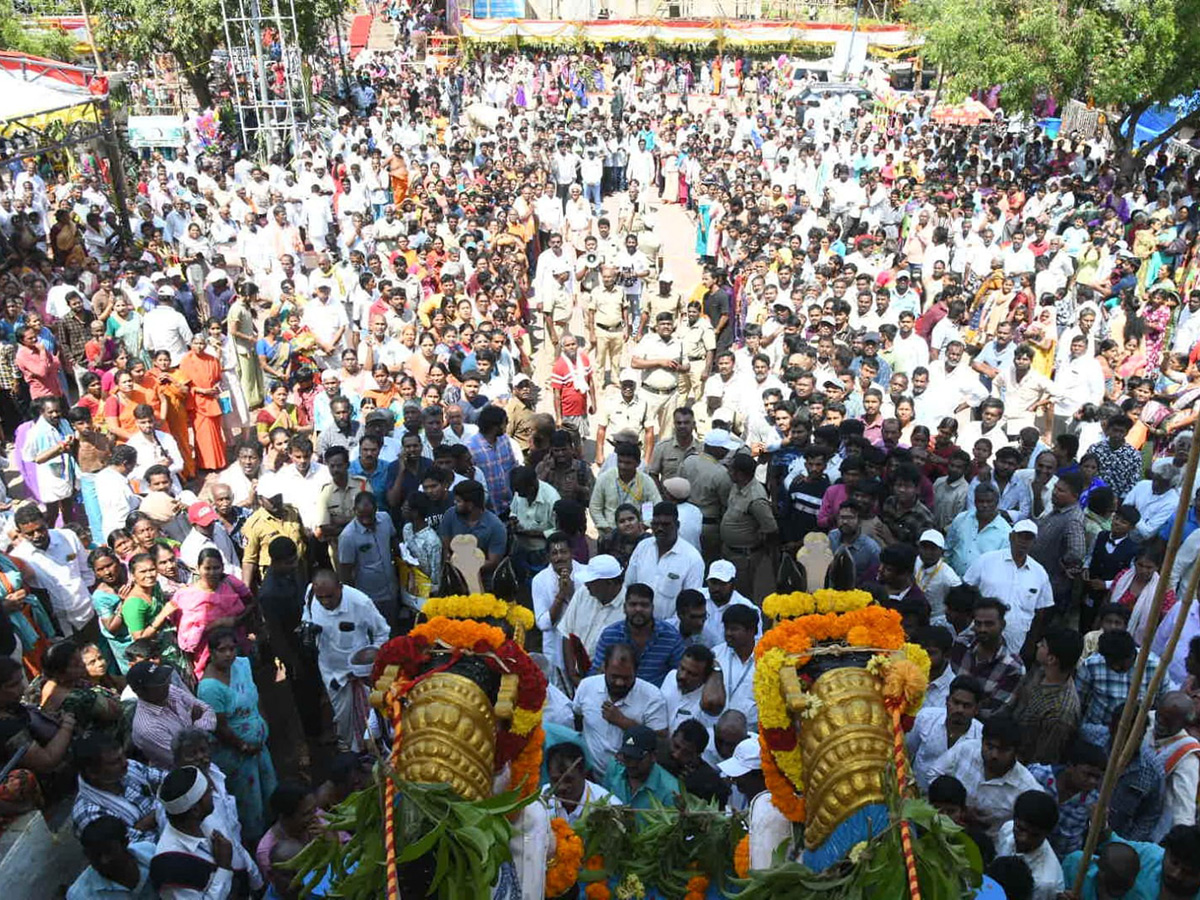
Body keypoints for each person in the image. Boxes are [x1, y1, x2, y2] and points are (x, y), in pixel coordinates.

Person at [197, 627, 277, 843]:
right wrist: (243, 745)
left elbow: (255, 695)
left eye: (232, 648)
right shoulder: (209, 687)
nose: (228, 654)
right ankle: (257, 843)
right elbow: (219, 726)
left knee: (270, 789)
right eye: (222, 650)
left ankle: (277, 832)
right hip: (237, 753)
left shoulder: (242, 665)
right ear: (211, 653)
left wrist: (263, 723)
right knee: (250, 801)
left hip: (259, 745)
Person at [301, 569, 389, 750]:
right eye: (321, 598)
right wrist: (308, 627)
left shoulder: (361, 603)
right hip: (331, 671)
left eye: (330, 597)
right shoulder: (311, 592)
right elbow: (306, 613)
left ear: (340, 588)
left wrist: (371, 657)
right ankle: (346, 749)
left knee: (371, 714)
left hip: (361, 673)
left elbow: (383, 633)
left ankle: (372, 749)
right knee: (342, 715)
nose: (325, 602)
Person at [927, 714, 1045, 841]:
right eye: (990, 746)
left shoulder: (1027, 789)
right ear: (982, 741)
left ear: (1016, 752)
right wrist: (954, 808)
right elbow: (934, 774)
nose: (994, 755)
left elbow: (1025, 832)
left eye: (1003, 750)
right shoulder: (965, 750)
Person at [962, 522, 1054, 663]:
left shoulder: (1039, 573)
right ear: (1011, 537)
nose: (1023, 541)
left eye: (1028, 538)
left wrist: (1030, 644)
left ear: (1034, 542)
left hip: (1015, 643)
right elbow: (966, 590)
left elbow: (1040, 612)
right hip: (979, 636)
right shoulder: (987, 560)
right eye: (1020, 536)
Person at [571, 642, 668, 773]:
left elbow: (661, 744)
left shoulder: (653, 697)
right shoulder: (586, 686)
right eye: (614, 676)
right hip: (591, 776)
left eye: (626, 678)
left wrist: (622, 722)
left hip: (630, 780)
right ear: (604, 668)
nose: (619, 683)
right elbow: (577, 718)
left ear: (636, 671)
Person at [10, 503, 99, 640]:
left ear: (46, 522)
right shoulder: (19, 557)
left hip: (86, 613)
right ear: (20, 532)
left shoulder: (68, 537)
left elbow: (86, 570)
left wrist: (86, 597)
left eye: (40, 529)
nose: (37, 536)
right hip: (57, 624)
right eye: (29, 533)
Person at [151, 766, 240, 900]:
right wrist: (223, 867)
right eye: (208, 792)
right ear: (195, 810)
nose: (212, 793)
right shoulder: (169, 865)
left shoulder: (204, 819)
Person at [173, 548, 253, 680]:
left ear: (222, 568)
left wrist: (237, 621)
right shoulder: (186, 596)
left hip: (236, 649)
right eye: (207, 568)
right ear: (198, 569)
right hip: (205, 657)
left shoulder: (231, 583)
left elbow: (251, 604)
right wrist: (217, 624)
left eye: (216, 568)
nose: (212, 573)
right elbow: (185, 639)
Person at [72, 732, 165, 844]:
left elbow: (167, 778)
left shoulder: (129, 768)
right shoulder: (88, 814)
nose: (125, 763)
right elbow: (132, 847)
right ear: (92, 772)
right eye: (115, 762)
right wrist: (162, 810)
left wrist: (143, 824)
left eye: (123, 755)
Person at [589, 583, 686, 688]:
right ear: (624, 608)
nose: (638, 609)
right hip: (616, 693)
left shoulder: (670, 636)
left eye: (644, 605)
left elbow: (678, 675)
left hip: (656, 699)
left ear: (652, 608)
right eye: (633, 604)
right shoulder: (610, 635)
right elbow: (595, 674)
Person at [948, 596, 1026, 721]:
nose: (983, 629)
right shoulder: (961, 644)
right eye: (978, 623)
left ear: (1002, 625)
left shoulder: (1013, 668)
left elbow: (994, 713)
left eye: (989, 624)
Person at [128, 661, 216, 770]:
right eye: (159, 683)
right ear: (141, 692)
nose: (167, 683)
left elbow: (207, 709)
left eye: (165, 679)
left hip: (207, 757)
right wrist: (197, 729)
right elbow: (184, 758)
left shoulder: (169, 691)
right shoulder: (147, 728)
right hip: (186, 776)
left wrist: (196, 728)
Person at [623, 501, 703, 620]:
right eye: (655, 524)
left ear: (677, 525)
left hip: (669, 630)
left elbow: (689, 604)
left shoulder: (692, 559)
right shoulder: (642, 547)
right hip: (636, 624)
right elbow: (628, 586)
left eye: (666, 524)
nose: (660, 528)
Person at [907, 674, 984, 791]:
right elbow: (908, 752)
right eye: (956, 702)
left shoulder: (981, 737)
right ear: (947, 701)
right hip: (916, 797)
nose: (960, 710)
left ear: (977, 709)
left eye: (966, 706)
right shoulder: (925, 718)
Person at [338, 491, 400, 626]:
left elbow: (393, 538)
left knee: (393, 630)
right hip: (368, 597)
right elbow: (345, 571)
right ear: (354, 511)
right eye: (362, 515)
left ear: (376, 509)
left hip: (391, 590)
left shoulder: (385, 519)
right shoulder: (347, 536)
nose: (366, 520)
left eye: (369, 515)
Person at [68, 814, 158, 900]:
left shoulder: (150, 853)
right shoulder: (81, 895)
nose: (103, 861)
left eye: (108, 852)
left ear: (125, 843)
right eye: (95, 856)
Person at [177, 332, 228, 473]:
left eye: (201, 344)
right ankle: (205, 463)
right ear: (191, 344)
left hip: (211, 399)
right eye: (196, 343)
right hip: (197, 401)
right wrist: (201, 391)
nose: (199, 346)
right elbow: (184, 384)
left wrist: (215, 388)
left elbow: (218, 377)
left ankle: (219, 462)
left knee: (216, 432)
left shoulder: (211, 360)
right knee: (202, 434)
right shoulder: (186, 360)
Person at [603, 724, 679, 811]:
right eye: (627, 757)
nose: (631, 764)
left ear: (653, 756)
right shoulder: (614, 767)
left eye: (637, 758)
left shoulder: (670, 792)